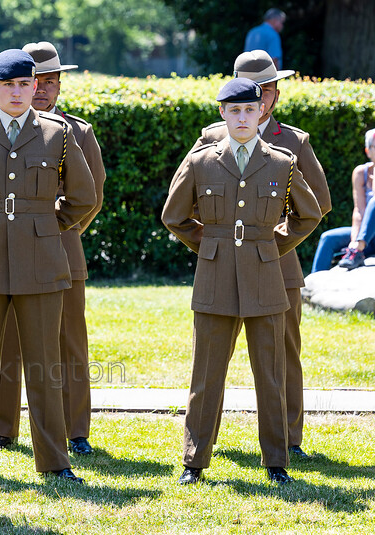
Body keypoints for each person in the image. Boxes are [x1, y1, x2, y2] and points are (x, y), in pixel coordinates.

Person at [162, 78, 322, 485]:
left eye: (249, 109)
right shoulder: (201, 161)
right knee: (207, 372)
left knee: (270, 371)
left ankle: (276, 461)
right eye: (234, 110)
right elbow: (174, 216)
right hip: (215, 275)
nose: (243, 117)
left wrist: (271, 245)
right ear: (222, 113)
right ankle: (194, 462)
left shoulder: (282, 161)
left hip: (265, 274)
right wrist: (210, 245)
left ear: (260, 112)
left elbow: (309, 214)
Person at [0, 49, 96, 482]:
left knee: (44, 367)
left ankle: (55, 462)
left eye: (25, 84)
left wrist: (46, 225)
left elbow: (84, 196)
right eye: (8, 85)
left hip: (42, 260)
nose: (17, 93)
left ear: (36, 86)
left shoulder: (57, 133)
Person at [0, 41, 106, 456]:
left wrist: (57, 228)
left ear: (55, 85)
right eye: (26, 82)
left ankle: (75, 429)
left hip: (60, 247)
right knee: (4, 342)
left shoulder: (74, 131)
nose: (38, 91)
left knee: (68, 341)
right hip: (1, 250)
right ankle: (3, 427)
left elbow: (92, 193)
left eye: (47, 83)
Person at [311, 128, 375, 272]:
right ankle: (311, 288)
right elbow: (359, 210)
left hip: (367, 239)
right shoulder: (361, 173)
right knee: (327, 238)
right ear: (368, 151)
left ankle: (358, 248)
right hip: (366, 237)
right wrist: (355, 239)